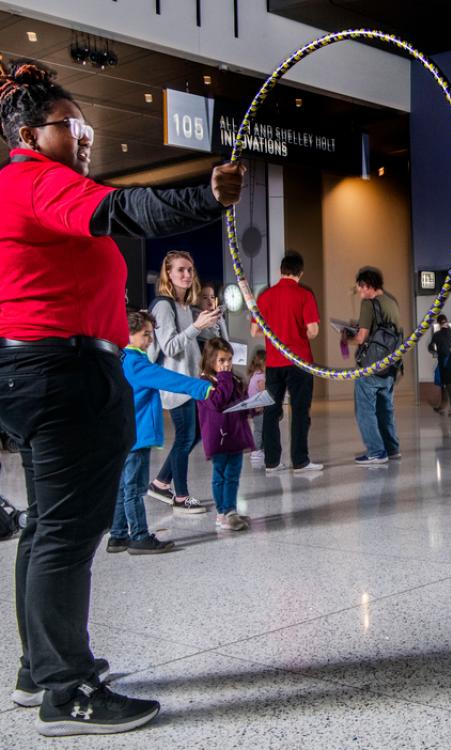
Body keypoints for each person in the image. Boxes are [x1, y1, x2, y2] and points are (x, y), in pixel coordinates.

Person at [0, 60, 242, 735]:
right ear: (27, 131)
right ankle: (65, 690)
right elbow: (124, 208)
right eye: (71, 125)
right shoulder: (35, 180)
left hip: (47, 368)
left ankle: (41, 669)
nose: (84, 136)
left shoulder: (32, 185)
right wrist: (205, 197)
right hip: (61, 369)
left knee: (50, 525)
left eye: (88, 127)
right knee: (69, 534)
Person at [108, 311, 214, 556]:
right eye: (145, 335)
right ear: (128, 334)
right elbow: (165, 378)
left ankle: (117, 535)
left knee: (123, 488)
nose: (150, 340)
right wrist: (200, 387)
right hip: (137, 437)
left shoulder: (119, 359)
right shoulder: (135, 362)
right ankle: (139, 536)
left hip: (124, 435)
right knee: (134, 489)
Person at [147, 250, 225, 514]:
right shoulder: (163, 305)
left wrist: (209, 320)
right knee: (184, 437)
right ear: (168, 273)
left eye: (190, 270)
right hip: (174, 383)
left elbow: (208, 340)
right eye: (180, 269)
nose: (187, 275)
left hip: (190, 382)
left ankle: (160, 483)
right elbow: (169, 347)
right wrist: (196, 326)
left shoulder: (186, 308)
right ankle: (180, 497)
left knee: (196, 434)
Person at [252, 253, 322, 473]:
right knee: (300, 411)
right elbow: (313, 332)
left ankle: (272, 462)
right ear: (300, 273)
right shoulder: (305, 294)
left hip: (273, 363)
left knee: (272, 411)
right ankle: (300, 461)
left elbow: (254, 331)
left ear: (280, 271)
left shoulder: (265, 296)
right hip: (300, 363)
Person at [197, 338, 255, 531]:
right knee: (220, 474)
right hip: (218, 437)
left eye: (229, 359)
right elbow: (218, 402)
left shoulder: (233, 379)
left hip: (235, 434)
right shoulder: (205, 382)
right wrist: (224, 378)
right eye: (221, 360)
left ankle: (231, 510)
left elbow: (239, 403)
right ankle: (222, 513)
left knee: (233, 475)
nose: (227, 364)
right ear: (210, 360)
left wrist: (253, 408)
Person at [349, 267, 402, 464]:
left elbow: (362, 338)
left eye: (361, 288)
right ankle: (392, 448)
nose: (360, 292)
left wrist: (348, 338)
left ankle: (376, 452)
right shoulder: (391, 302)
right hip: (390, 365)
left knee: (365, 410)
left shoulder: (368, 304)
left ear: (368, 285)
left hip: (371, 366)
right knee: (385, 409)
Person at [428, 313, 451, 417]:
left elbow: (430, 347)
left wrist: (435, 352)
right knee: (445, 385)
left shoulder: (437, 334)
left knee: (449, 386)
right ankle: (442, 407)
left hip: (443, 362)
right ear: (446, 321)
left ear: (438, 323)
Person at [246, 348, 267, 468]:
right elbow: (263, 393)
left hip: (254, 408)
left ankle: (258, 449)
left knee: (259, 429)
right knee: (260, 430)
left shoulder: (254, 375)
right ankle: (256, 450)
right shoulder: (261, 377)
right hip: (259, 409)